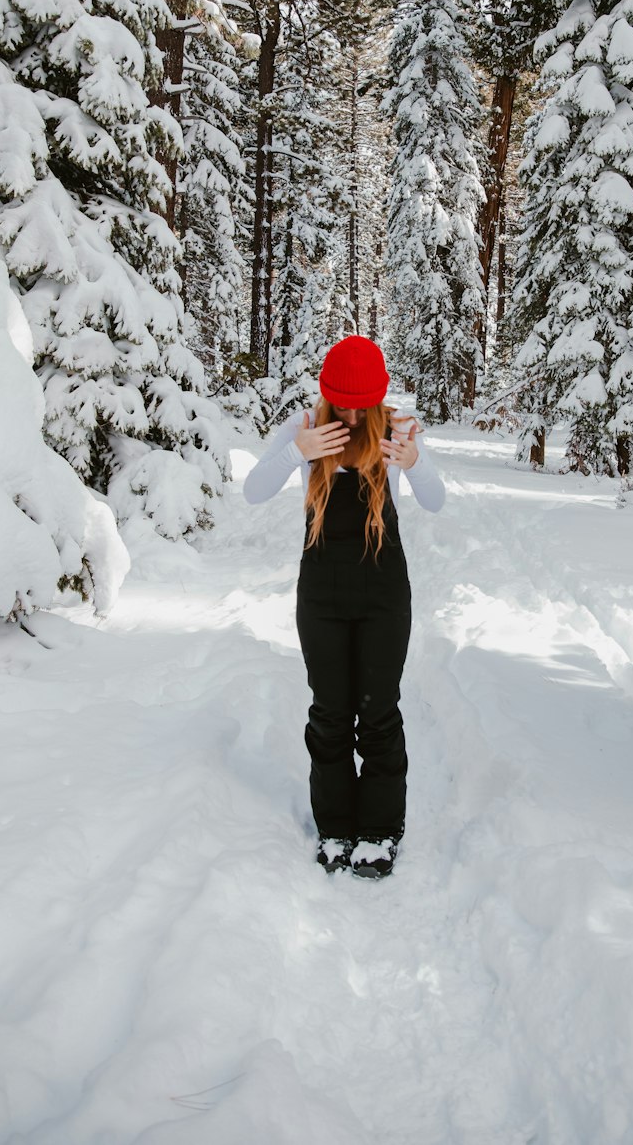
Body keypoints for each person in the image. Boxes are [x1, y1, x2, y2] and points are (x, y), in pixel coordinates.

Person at [243, 335, 446, 878]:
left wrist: (416, 461)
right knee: (330, 713)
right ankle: (335, 825)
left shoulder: (398, 428)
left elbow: (435, 499)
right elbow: (253, 491)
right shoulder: (304, 426)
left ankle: (379, 830)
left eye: (362, 404)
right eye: (344, 402)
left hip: (383, 595)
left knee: (378, 712)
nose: (353, 415)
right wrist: (298, 452)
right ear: (327, 393)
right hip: (323, 597)